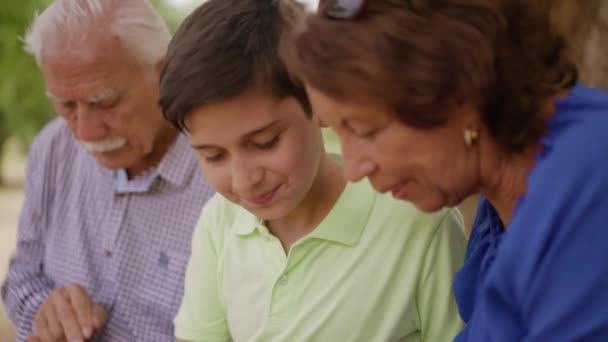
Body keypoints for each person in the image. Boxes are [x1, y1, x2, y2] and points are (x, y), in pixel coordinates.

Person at [286, 0, 608, 340]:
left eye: (366, 131)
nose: (352, 168)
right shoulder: (498, 213)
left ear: (460, 91)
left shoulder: (586, 178)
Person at [158, 0, 467, 341]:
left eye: (265, 142)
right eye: (214, 156)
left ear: (319, 103)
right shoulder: (220, 222)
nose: (245, 180)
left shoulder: (419, 223)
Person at [1, 1, 215, 341]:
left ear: (165, 71)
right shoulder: (52, 148)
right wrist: (47, 311)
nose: (84, 132)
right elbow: (22, 275)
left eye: (105, 102)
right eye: (66, 105)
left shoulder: (226, 173)